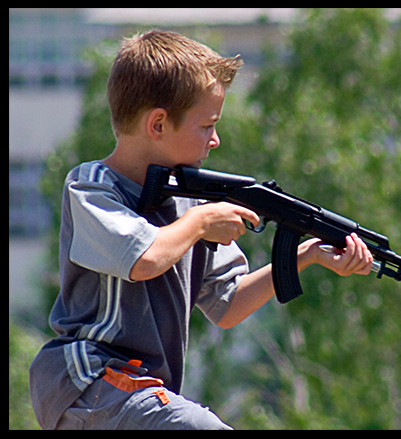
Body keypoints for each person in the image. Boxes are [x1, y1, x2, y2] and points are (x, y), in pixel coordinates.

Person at [28, 29, 374, 430]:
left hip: (138, 391)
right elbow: (144, 258)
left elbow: (228, 305)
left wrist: (306, 254)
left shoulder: (188, 202)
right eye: (207, 125)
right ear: (158, 124)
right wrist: (201, 222)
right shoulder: (93, 186)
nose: (215, 140)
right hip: (86, 380)